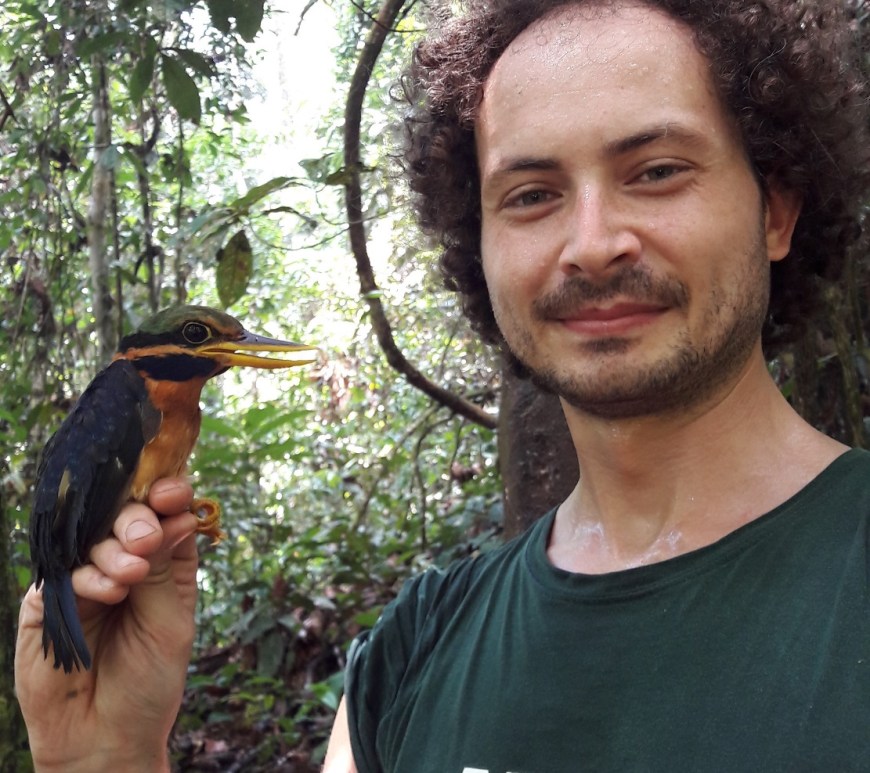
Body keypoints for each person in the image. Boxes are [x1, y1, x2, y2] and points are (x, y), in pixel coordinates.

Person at [16, 0, 870, 771]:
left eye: (656, 171)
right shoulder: (409, 654)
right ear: (481, 247)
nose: (593, 243)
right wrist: (110, 755)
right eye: (532, 194)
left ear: (775, 211)